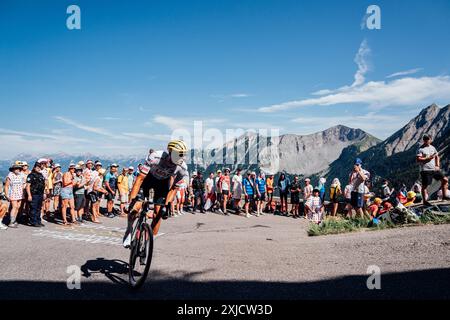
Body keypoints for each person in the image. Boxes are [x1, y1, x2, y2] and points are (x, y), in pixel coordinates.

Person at [123, 139, 189, 248]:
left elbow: (174, 189)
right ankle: (129, 230)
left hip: (162, 185)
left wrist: (167, 206)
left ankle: (146, 242)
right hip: (148, 180)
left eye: (182, 155)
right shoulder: (155, 157)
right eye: (178, 154)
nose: (180, 157)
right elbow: (140, 179)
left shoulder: (182, 168)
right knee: (135, 207)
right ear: (170, 151)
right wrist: (131, 201)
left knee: (158, 214)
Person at [416, 134, 445, 205]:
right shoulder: (420, 149)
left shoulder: (433, 148)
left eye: (428, 139)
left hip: (434, 169)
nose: (426, 140)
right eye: (425, 139)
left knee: (445, 180)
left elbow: (437, 156)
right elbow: (418, 159)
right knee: (425, 186)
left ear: (430, 140)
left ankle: (444, 197)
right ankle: (425, 201)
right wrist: (427, 158)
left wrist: (437, 165)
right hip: (425, 170)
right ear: (424, 140)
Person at [26, 162, 46, 227]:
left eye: (39, 167)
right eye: (37, 167)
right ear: (34, 168)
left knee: (39, 208)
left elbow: (43, 185)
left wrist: (44, 193)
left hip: (40, 194)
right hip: (34, 194)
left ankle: (38, 221)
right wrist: (29, 195)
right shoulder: (31, 175)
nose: (38, 168)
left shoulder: (41, 175)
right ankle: (33, 222)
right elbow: (28, 186)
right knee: (33, 208)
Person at [4, 163, 24, 228]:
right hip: (13, 193)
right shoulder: (10, 175)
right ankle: (11, 222)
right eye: (16, 168)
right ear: (13, 169)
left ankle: (14, 220)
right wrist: (6, 195)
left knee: (18, 207)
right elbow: (6, 186)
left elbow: (23, 183)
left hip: (20, 193)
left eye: (18, 168)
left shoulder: (21, 175)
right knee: (14, 207)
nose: (17, 170)